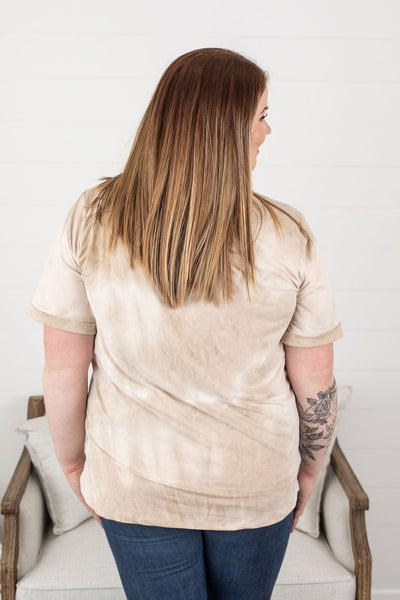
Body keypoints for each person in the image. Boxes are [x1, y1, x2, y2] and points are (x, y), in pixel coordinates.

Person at [27, 47, 342, 600]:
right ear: (226, 129)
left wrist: (74, 464)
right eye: (262, 116)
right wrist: (309, 472)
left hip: (133, 484)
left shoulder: (92, 217)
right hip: (255, 483)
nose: (268, 132)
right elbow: (315, 383)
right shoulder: (289, 234)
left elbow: (63, 367)